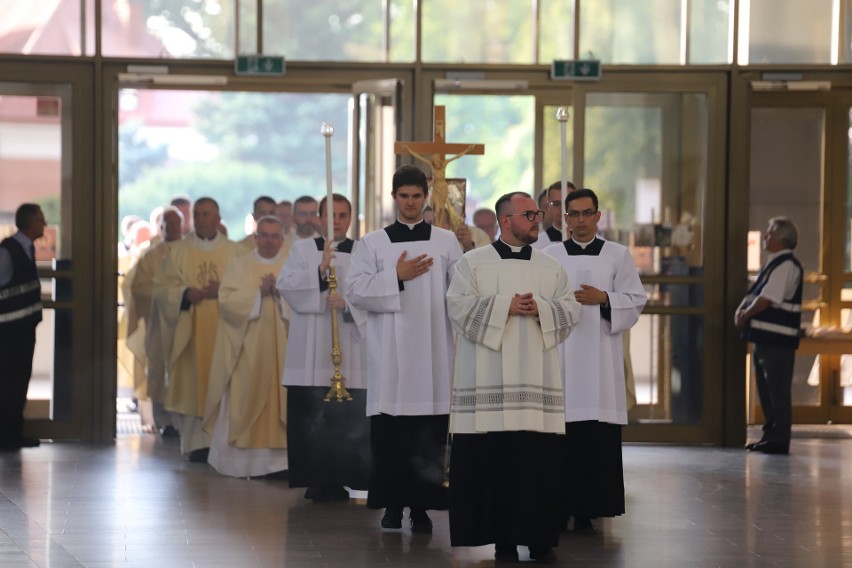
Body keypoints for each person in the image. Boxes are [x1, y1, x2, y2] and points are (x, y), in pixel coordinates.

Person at [447, 191, 580, 564]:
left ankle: (540, 539)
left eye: (538, 213)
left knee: (537, 465)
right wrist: (506, 306)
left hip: (536, 383)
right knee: (497, 466)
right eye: (529, 214)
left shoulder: (550, 266)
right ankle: (503, 539)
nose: (538, 219)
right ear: (506, 221)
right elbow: (456, 307)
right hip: (487, 380)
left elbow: (570, 308)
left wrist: (542, 308)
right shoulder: (472, 263)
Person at [345, 164, 462, 533]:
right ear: (394, 197)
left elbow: (461, 292)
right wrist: (395, 277)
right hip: (391, 353)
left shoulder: (445, 241)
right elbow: (355, 290)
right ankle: (393, 505)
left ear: (426, 198)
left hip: (433, 352)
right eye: (403, 196)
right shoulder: (373, 242)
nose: (410, 203)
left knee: (428, 432)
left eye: (416, 196)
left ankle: (423, 508)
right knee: (391, 434)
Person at [543, 188, 647, 535]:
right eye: (573, 214)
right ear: (565, 218)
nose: (581, 220)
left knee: (594, 438)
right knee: (560, 438)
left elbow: (635, 300)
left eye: (588, 213)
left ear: (598, 216)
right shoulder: (550, 254)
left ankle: (589, 509)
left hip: (601, 358)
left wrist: (604, 298)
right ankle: (557, 508)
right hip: (561, 355)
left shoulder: (617, 255)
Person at [277, 193, 370, 501]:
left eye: (343, 215)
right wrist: (317, 273)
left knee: (345, 418)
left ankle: (344, 476)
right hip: (311, 349)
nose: (337, 221)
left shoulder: (362, 252)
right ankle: (315, 478)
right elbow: (286, 285)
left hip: (349, 349)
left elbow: (371, 296)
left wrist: (347, 305)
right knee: (313, 413)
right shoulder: (303, 250)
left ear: (351, 218)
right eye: (331, 215)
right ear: (319, 218)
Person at [152, 197, 241, 462]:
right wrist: (183, 293)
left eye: (208, 214)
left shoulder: (235, 251)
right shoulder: (177, 251)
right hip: (190, 332)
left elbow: (246, 289)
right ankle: (196, 445)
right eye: (198, 214)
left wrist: (221, 291)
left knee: (224, 383)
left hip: (225, 331)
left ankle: (221, 444)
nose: (202, 219)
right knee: (193, 384)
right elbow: (160, 289)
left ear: (218, 218)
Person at [203, 215, 290, 477]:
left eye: (275, 236)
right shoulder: (239, 266)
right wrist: (258, 294)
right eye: (264, 235)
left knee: (282, 399)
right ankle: (244, 464)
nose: (269, 241)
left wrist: (282, 295)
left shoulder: (291, 266)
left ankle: (282, 464)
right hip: (247, 349)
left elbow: (305, 305)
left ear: (282, 239)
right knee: (244, 397)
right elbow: (227, 301)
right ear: (255, 237)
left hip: (283, 351)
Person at [736, 217, 803, 455]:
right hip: (766, 338)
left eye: (769, 234)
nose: (765, 238)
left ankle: (779, 439)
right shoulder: (773, 264)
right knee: (767, 390)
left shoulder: (786, 265)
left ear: (781, 239)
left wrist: (745, 314)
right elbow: (756, 294)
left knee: (777, 391)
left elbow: (767, 298)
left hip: (778, 340)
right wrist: (742, 310)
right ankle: (769, 436)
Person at [131, 207, 184, 436]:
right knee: (159, 369)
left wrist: (179, 296)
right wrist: (165, 295)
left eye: (173, 225)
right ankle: (164, 420)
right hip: (159, 323)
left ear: (181, 227)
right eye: (163, 226)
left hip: (185, 321)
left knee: (183, 370)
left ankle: (183, 422)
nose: (168, 230)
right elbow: (139, 286)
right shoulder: (151, 255)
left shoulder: (188, 251)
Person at [0, 203, 46, 450]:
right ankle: (6, 436)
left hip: (22, 330)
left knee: (19, 382)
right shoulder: (8, 251)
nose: (45, 225)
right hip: (8, 332)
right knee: (8, 383)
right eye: (41, 220)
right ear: (29, 223)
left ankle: (13, 434)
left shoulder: (25, 249)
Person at [532, 181, 575, 249]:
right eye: (556, 204)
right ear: (548, 207)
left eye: (567, 203)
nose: (562, 209)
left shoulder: (593, 242)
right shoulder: (536, 245)